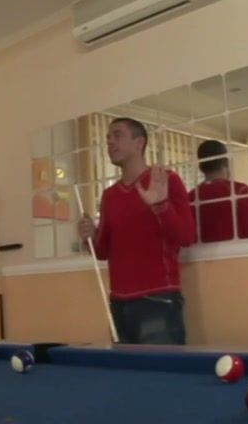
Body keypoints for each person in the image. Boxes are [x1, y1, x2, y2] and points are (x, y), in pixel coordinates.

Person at [77, 117, 195, 345]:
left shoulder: (167, 180)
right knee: (124, 369)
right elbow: (102, 251)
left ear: (139, 142)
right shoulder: (110, 196)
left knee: (161, 368)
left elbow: (186, 236)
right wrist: (89, 237)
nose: (110, 142)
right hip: (118, 305)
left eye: (117, 135)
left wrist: (160, 205)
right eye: (108, 137)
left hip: (158, 301)